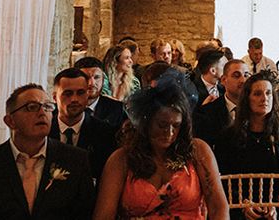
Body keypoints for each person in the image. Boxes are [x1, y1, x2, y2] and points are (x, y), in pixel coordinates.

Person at [93, 72, 229, 220]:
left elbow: (218, 207)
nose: (169, 132)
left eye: (176, 126)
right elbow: (104, 215)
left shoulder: (198, 151)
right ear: (146, 123)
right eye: (162, 125)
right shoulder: (121, 159)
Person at [0, 83, 95, 219]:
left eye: (47, 107)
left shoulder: (76, 160)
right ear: (10, 121)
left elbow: (84, 213)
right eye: (32, 107)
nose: (42, 113)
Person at [214, 72, 279, 220]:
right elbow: (222, 177)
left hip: (278, 210)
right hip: (239, 210)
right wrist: (243, 204)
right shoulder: (228, 137)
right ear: (247, 99)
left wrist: (275, 204)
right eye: (257, 94)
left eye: (268, 93)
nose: (264, 99)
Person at [49, 67, 115, 181]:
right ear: (55, 97)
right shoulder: (44, 130)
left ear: (87, 95)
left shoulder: (105, 133)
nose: (74, 99)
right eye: (68, 94)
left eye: (80, 93)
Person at [194, 60, 251, 147]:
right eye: (236, 76)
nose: (243, 80)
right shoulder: (207, 112)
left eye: (246, 75)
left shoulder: (255, 109)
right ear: (223, 80)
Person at [74, 56, 126, 131]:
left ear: (103, 80)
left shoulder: (116, 109)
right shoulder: (66, 107)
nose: (91, 83)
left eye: (97, 77)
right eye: (86, 77)